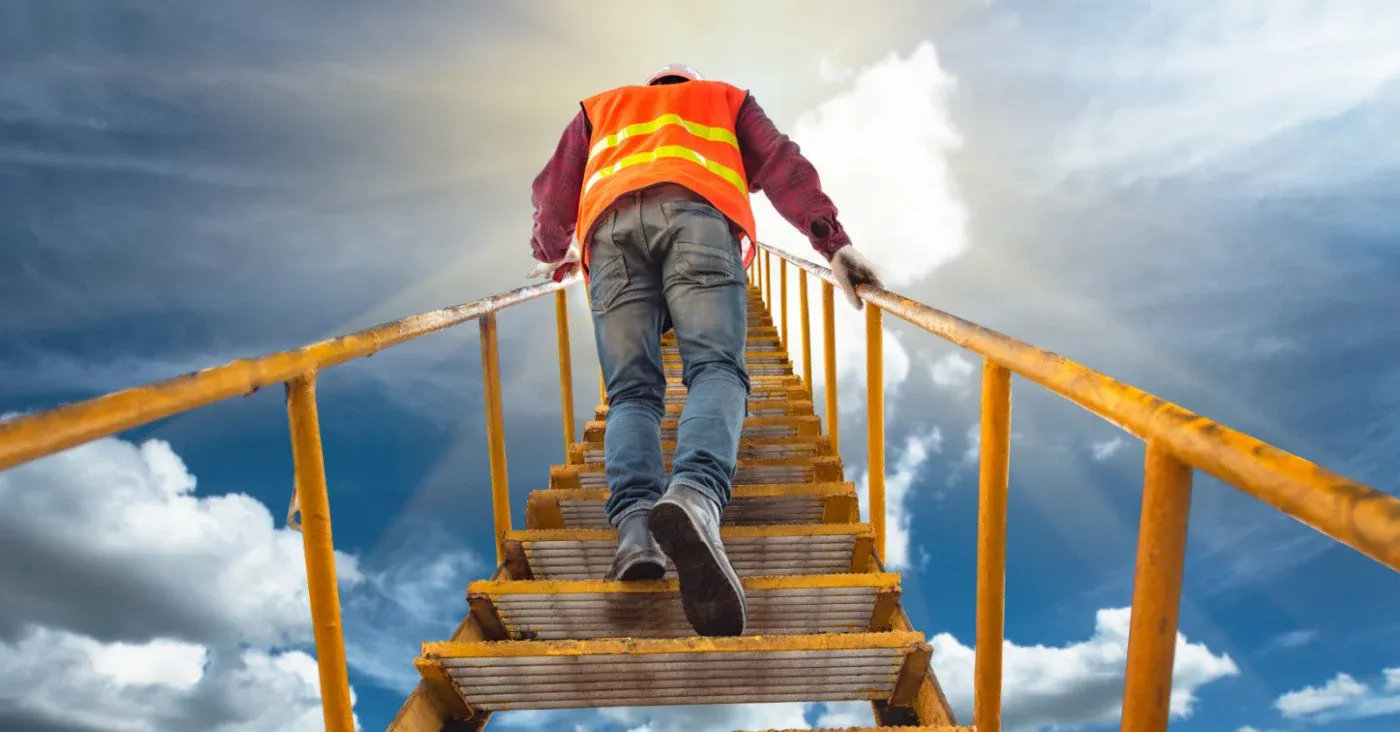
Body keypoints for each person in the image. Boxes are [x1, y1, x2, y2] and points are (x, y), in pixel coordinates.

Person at [527, 63, 881, 637]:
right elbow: (783, 164)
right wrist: (833, 245)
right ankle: (695, 495)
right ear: (688, 84)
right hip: (699, 220)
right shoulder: (725, 99)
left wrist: (552, 251)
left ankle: (636, 532)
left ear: (650, 87)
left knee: (632, 393)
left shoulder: (602, 107)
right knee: (715, 368)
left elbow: (554, 188)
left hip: (609, 235)